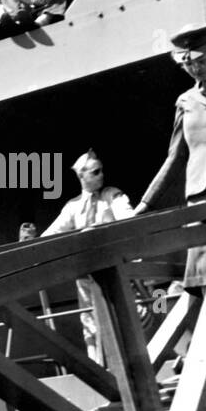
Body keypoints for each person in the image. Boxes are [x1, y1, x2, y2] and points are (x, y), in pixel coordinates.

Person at [136, 23, 206, 302]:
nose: (195, 68)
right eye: (188, 64)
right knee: (203, 277)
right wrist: (145, 204)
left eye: (201, 61)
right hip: (201, 199)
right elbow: (175, 158)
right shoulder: (186, 102)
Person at [44, 151, 135, 362]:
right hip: (86, 277)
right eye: (95, 172)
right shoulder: (73, 207)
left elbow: (127, 217)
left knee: (137, 315)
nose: (101, 175)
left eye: (101, 170)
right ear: (81, 176)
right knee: (89, 325)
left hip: (116, 272)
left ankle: (139, 363)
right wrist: (31, 244)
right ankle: (98, 369)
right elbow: (52, 234)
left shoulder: (112, 195)